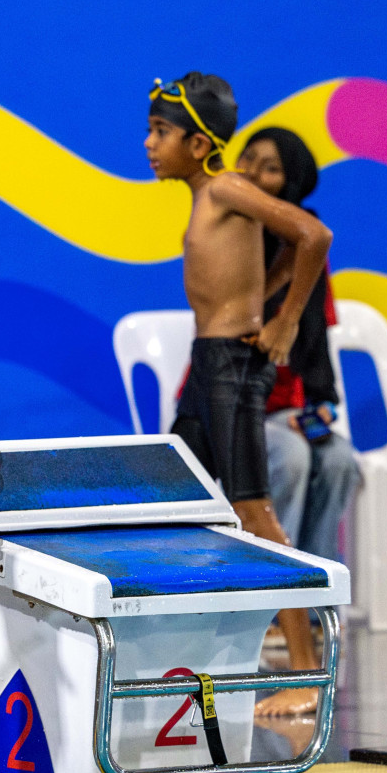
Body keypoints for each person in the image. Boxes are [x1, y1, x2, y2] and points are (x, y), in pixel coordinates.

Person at [144, 73, 333, 717]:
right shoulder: (209, 194)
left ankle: (304, 671)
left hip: (230, 367)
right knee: (173, 498)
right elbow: (277, 254)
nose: (149, 144)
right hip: (208, 368)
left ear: (198, 143)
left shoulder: (226, 188)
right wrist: (269, 288)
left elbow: (314, 236)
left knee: (256, 515)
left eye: (160, 133)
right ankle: (184, 646)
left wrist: (282, 321)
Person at [239, 128, 360, 569]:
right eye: (247, 159)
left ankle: (315, 594)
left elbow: (315, 337)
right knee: (291, 454)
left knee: (339, 460)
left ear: (290, 184)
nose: (251, 173)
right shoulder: (233, 233)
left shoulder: (308, 245)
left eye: (269, 168)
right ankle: (272, 597)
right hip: (238, 402)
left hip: (290, 408)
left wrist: (321, 402)